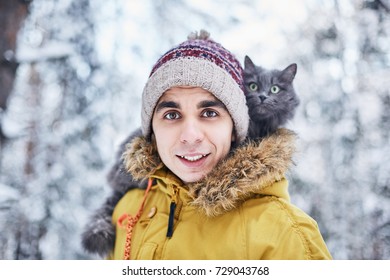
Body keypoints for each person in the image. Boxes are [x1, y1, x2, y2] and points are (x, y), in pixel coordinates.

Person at [106, 30, 332, 260]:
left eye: (209, 112)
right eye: (172, 115)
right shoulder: (127, 211)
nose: (190, 136)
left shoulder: (286, 236)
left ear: (234, 129)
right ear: (152, 130)